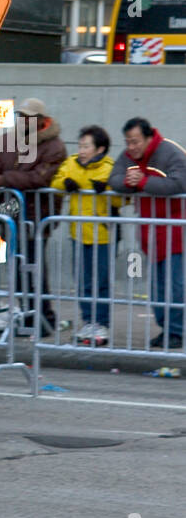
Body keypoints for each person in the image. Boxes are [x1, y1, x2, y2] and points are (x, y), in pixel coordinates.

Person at [0, 97, 66, 334]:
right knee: (18, 267)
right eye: (20, 116)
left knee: (35, 267)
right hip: (11, 215)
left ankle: (43, 317)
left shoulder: (54, 146)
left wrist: (4, 179)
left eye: (27, 117)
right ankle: (28, 315)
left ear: (40, 120)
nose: (22, 120)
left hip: (38, 215)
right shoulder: (8, 140)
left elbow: (41, 178)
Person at [109, 116, 186, 348]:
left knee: (174, 284)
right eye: (128, 142)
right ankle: (166, 328)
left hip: (175, 230)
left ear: (149, 137)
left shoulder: (171, 152)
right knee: (156, 287)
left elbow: (180, 183)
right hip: (150, 231)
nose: (132, 147)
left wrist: (143, 182)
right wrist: (129, 181)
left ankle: (175, 331)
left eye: (136, 142)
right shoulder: (128, 157)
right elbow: (114, 179)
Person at [50, 125, 120, 347]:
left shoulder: (110, 168)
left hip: (103, 234)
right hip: (78, 233)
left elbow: (123, 198)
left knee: (101, 281)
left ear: (100, 149)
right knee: (83, 281)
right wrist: (65, 184)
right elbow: (56, 182)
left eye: (86, 146)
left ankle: (102, 323)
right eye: (80, 146)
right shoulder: (71, 163)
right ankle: (88, 320)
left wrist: (108, 189)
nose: (81, 150)